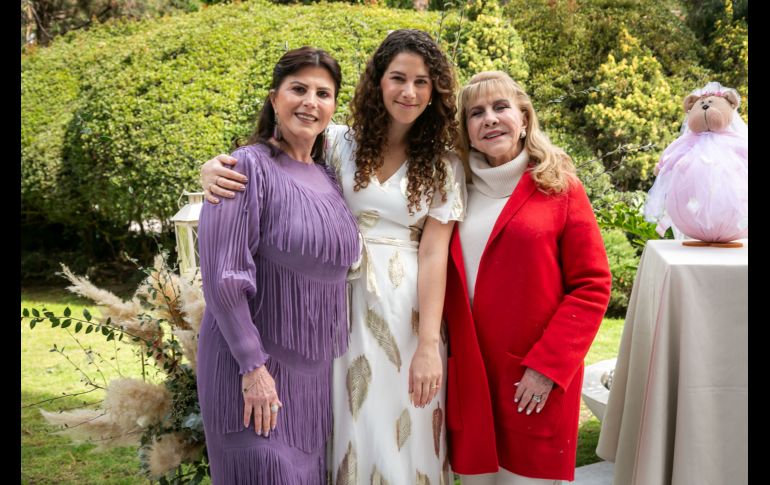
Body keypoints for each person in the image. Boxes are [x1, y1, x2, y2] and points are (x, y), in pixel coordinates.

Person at [201, 29, 464, 484]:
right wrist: (213, 167)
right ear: (377, 82)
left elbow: (435, 255)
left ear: (435, 91)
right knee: (338, 427)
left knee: (403, 427)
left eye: (422, 82)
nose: (409, 91)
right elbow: (278, 158)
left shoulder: (443, 165)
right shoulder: (339, 143)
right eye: (398, 77)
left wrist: (427, 344)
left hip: (405, 313)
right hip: (335, 312)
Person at [196, 46, 360, 484]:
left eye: (323, 93)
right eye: (298, 89)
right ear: (274, 99)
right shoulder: (245, 168)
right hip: (250, 369)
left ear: (333, 106)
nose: (310, 102)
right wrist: (253, 368)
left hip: (311, 378)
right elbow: (224, 277)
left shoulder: (329, 176)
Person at [443, 71, 612, 485]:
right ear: (466, 129)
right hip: (468, 376)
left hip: (532, 378)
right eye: (476, 113)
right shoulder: (452, 188)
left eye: (501, 107)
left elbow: (592, 285)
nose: (490, 119)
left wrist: (547, 367)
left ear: (523, 118)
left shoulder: (559, 188)